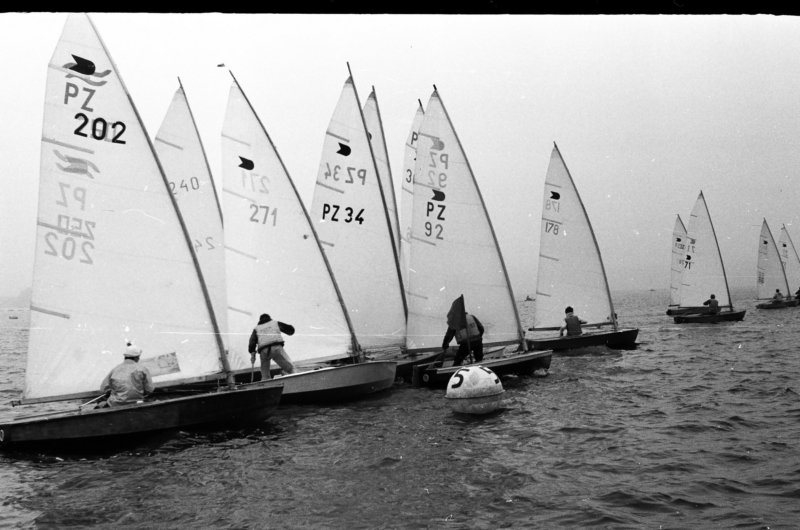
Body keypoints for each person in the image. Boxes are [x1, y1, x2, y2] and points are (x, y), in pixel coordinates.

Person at [248, 313, 297, 381]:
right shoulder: (275, 323)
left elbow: (252, 342)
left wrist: (252, 353)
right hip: (276, 348)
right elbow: (290, 330)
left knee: (265, 374)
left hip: (264, 351)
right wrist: (291, 330)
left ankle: (265, 382)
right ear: (269, 318)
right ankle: (295, 378)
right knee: (290, 368)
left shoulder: (257, 328)